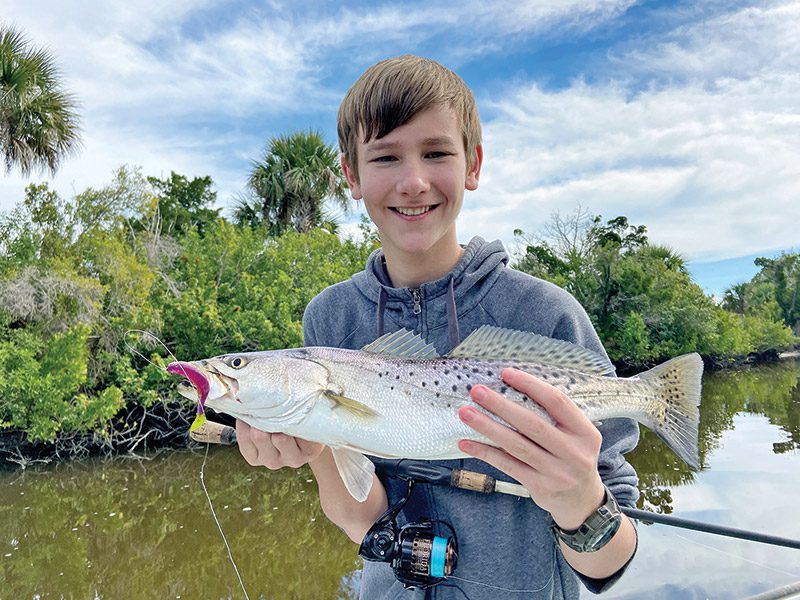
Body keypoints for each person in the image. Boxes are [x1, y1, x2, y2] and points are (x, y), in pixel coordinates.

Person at [236, 55, 639, 599]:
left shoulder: (546, 314)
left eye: (436, 153)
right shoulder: (330, 319)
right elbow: (363, 521)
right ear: (351, 176)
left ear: (472, 164)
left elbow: (609, 564)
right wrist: (317, 444)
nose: (413, 181)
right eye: (385, 157)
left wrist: (579, 501)